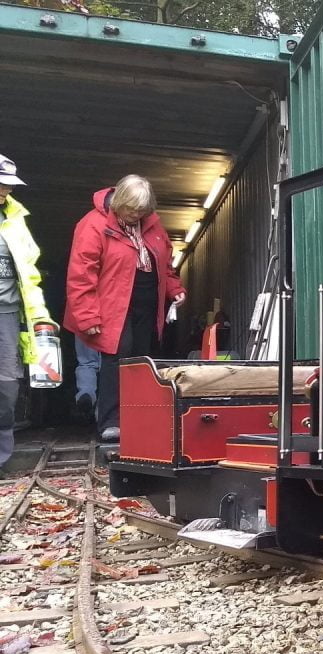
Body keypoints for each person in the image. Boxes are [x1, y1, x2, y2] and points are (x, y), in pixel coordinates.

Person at [65, 175, 185, 443]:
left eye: (142, 210)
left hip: (147, 303)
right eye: (132, 209)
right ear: (119, 202)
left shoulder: (152, 225)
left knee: (143, 360)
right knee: (117, 357)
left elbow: (166, 262)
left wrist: (174, 288)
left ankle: (139, 418)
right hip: (114, 304)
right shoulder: (93, 225)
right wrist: (87, 316)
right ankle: (111, 421)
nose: (136, 215)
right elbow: (81, 274)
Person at [0, 154, 56, 465]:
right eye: (1, 184)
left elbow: (29, 274)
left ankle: (0, 460)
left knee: (6, 386)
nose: (5, 191)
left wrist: (39, 317)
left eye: (8, 186)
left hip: (7, 313)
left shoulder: (17, 220)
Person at [74, 336, 100, 421]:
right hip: (111, 324)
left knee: (86, 362)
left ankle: (86, 392)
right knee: (110, 363)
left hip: (83, 325)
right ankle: (103, 411)